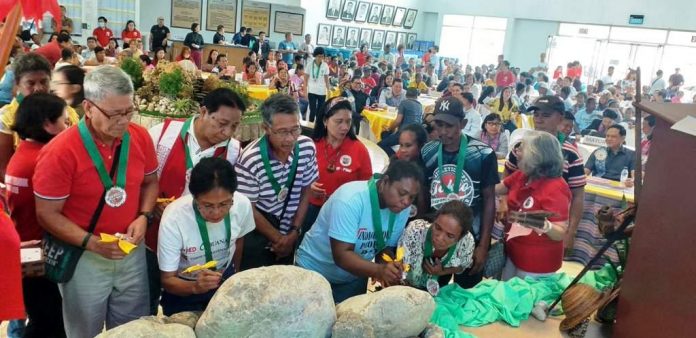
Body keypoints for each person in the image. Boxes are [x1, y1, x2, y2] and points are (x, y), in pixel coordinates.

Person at [33, 66, 158, 338]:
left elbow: (150, 182)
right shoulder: (60, 152)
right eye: (114, 114)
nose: (124, 121)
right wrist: (91, 242)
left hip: (130, 251)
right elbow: (47, 214)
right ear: (88, 108)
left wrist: (144, 216)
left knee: (131, 329)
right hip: (85, 256)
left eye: (129, 111)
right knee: (83, 331)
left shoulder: (139, 137)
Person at [147, 88, 244, 314]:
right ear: (203, 112)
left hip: (200, 245)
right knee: (152, 291)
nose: (227, 132)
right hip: (156, 232)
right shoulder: (163, 134)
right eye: (221, 123)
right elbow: (143, 180)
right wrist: (152, 205)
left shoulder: (233, 151)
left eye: (234, 126)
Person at [296, 160, 423, 303]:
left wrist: (391, 267)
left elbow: (383, 246)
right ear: (385, 182)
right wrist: (380, 271)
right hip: (314, 272)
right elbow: (342, 256)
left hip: (352, 280)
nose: (406, 202)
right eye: (402, 193)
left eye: (411, 197)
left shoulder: (402, 209)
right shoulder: (350, 199)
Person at [158, 157, 254, 315]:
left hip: (224, 279)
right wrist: (195, 287)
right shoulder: (174, 217)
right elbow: (168, 280)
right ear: (194, 198)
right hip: (184, 287)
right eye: (207, 205)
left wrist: (233, 275)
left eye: (224, 204)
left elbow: (238, 240)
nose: (216, 213)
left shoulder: (242, 204)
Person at [6, 93, 68, 338]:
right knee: (49, 322)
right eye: (64, 121)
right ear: (47, 124)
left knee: (42, 316)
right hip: (43, 255)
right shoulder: (44, 159)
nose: (68, 127)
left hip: (26, 252)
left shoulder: (22, 153)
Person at [421, 96, 499, 289]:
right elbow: (424, 195)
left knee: (466, 295)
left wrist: (483, 245)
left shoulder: (483, 154)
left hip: (472, 240)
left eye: (450, 126)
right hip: (439, 240)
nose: (443, 132)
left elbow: (490, 200)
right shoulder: (428, 151)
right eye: (438, 125)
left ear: (463, 124)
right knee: (434, 293)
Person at [235, 94, 318, 269]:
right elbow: (248, 208)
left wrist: (294, 232)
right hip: (260, 233)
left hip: (290, 230)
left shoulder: (306, 147)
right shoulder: (251, 159)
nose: (289, 138)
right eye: (282, 132)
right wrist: (279, 239)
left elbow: (306, 191)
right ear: (266, 128)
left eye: (295, 129)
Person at [503, 95, 585, 256]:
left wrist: (571, 231)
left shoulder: (570, 153)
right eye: (536, 115)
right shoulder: (520, 146)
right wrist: (503, 201)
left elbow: (578, 195)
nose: (539, 120)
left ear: (560, 118)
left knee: (537, 273)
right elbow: (508, 175)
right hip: (516, 225)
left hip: (549, 231)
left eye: (546, 115)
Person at [497, 131, 571, 280]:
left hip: (537, 262)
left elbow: (560, 233)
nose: (516, 152)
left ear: (536, 155)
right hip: (514, 250)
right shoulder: (523, 175)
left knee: (525, 299)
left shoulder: (556, 188)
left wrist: (544, 225)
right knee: (506, 294)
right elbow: (498, 188)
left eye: (521, 148)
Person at [0, 54, 80, 179]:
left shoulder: (67, 112)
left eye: (44, 82)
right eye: (30, 83)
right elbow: (3, 167)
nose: (38, 88)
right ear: (17, 84)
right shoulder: (6, 116)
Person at [304, 97, 372, 239]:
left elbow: (367, 189)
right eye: (339, 121)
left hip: (343, 214)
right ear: (325, 121)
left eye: (348, 121)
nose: (345, 127)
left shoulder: (359, 150)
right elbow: (297, 178)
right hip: (311, 210)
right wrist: (308, 187)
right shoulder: (311, 145)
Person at [398, 201, 475, 291]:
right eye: (438, 228)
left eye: (450, 236)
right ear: (434, 220)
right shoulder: (415, 232)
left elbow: (463, 265)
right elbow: (401, 271)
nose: (440, 238)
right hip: (407, 287)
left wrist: (442, 271)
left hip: (439, 286)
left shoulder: (467, 241)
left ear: (460, 237)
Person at [379, 88, 423, 157]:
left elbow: (398, 121)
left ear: (406, 95)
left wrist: (390, 128)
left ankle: (397, 158)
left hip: (404, 133)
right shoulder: (420, 105)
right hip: (416, 134)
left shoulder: (404, 103)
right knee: (385, 135)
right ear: (416, 96)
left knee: (380, 144)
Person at [305, 47, 331, 122]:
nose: (320, 58)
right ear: (315, 55)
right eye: (319, 56)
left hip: (322, 91)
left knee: (320, 112)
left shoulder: (325, 65)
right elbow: (305, 79)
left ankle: (317, 127)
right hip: (311, 91)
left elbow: (327, 80)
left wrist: (328, 90)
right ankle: (310, 127)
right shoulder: (309, 65)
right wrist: (305, 91)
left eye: (322, 56)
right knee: (312, 110)